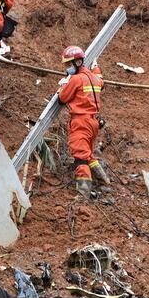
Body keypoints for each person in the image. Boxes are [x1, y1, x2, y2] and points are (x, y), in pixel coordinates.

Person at [57, 45, 110, 198]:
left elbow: (62, 99)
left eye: (69, 64)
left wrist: (63, 85)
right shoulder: (94, 78)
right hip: (93, 123)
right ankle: (103, 179)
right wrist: (97, 68)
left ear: (78, 63)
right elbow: (101, 82)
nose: (67, 68)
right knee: (88, 153)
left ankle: (83, 192)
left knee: (80, 155)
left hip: (80, 122)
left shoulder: (76, 79)